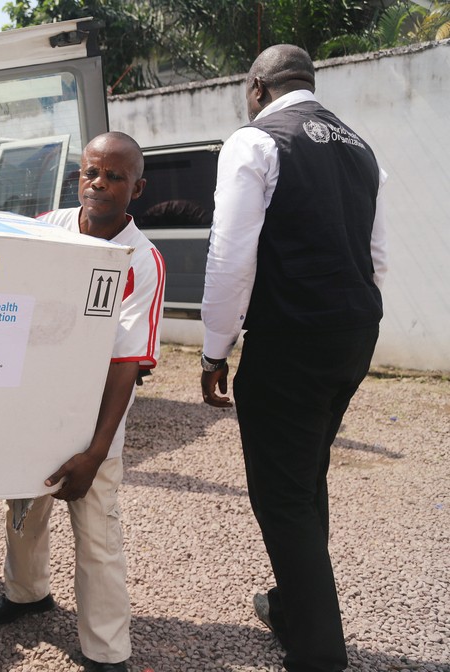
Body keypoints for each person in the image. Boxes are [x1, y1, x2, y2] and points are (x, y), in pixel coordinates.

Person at [199, 45, 387, 672]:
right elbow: (376, 258)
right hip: (354, 333)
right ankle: (290, 606)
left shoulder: (254, 142)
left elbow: (230, 259)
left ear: (258, 87)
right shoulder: (361, 149)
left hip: (293, 340)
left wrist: (213, 349)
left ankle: (317, 652)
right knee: (304, 478)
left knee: (281, 495)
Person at [0, 132, 166, 672]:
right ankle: (26, 593)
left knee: (96, 528)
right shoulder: (46, 229)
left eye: (114, 177)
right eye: (90, 172)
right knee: (24, 505)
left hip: (94, 414)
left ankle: (107, 650)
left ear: (138, 188)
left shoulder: (142, 260)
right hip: (32, 402)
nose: (98, 184)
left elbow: (128, 363)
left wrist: (96, 451)